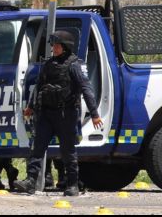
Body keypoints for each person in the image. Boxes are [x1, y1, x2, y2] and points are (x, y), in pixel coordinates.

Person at [12, 30, 103, 197]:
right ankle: (30, 181)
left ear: (65, 47)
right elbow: (39, 86)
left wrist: (95, 114)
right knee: (37, 149)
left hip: (65, 114)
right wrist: (31, 107)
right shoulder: (49, 64)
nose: (53, 48)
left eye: (57, 45)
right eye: (53, 45)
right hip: (46, 113)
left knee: (67, 151)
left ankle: (72, 184)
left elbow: (86, 88)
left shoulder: (74, 65)